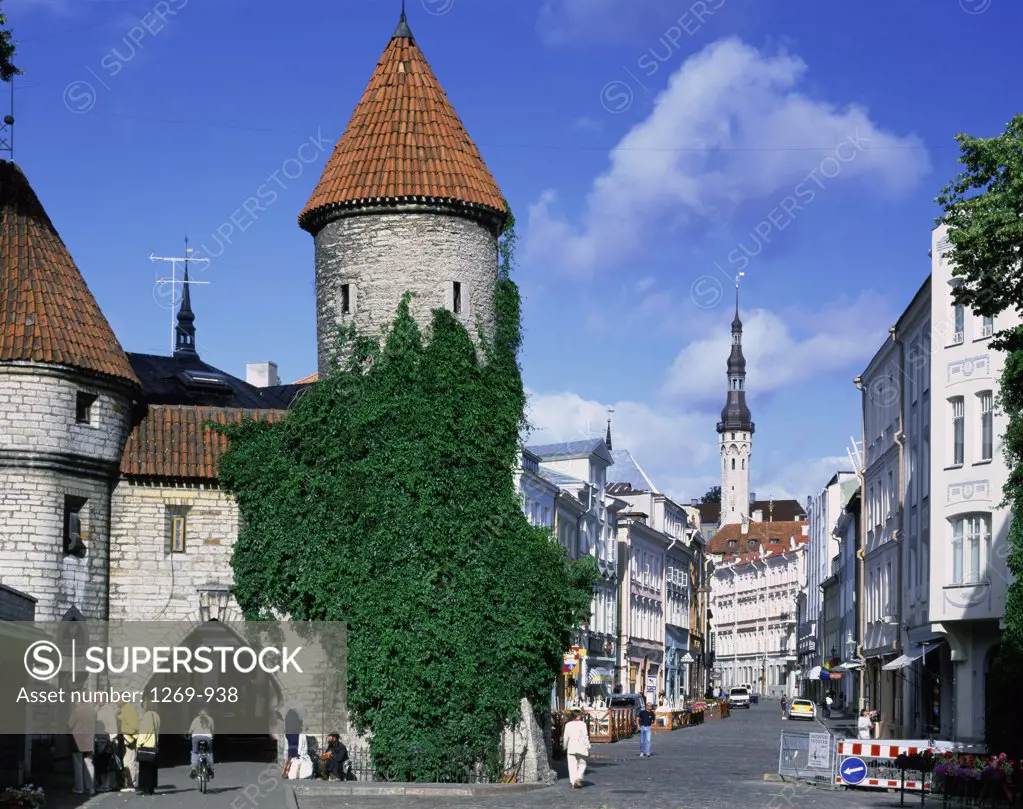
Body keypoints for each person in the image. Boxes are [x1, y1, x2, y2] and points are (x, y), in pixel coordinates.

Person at [68, 698, 96, 795]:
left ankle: (79, 787)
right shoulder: (92, 710)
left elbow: (70, 724)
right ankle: (91, 787)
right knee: (89, 763)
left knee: (78, 764)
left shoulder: (77, 710)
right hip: (89, 739)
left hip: (78, 740)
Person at [136, 698, 161, 796]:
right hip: (154, 745)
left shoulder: (147, 716)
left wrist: (138, 744)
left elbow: (144, 731)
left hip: (146, 745)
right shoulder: (157, 716)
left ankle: (146, 788)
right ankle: (151, 788)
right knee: (152, 769)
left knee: (145, 768)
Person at [561, 710, 591, 789]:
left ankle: (573, 782)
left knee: (572, 765)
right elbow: (585, 736)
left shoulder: (568, 725)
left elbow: (566, 737)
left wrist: (564, 747)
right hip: (581, 746)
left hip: (571, 747)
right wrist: (588, 746)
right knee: (582, 764)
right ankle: (578, 777)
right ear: (578, 716)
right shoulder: (583, 724)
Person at [117, 699, 139, 793]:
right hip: (124, 739)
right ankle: (128, 782)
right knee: (126, 761)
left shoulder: (129, 709)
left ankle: (131, 783)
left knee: (129, 761)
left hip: (128, 739)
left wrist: (121, 729)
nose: (115, 701)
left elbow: (134, 726)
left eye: (117, 698)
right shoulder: (123, 709)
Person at [188, 709, 215, 781]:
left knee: (195, 752)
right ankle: (210, 767)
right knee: (209, 752)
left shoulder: (196, 719)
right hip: (207, 738)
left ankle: (194, 767)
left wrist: (188, 734)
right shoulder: (210, 719)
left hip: (196, 738)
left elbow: (191, 730)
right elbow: (212, 730)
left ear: (199, 714)